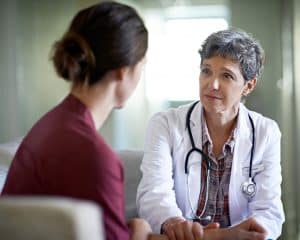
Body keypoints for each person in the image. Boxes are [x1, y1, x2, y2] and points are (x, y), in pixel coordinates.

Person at [1, 3, 269, 239]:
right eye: (143, 65)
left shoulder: (53, 125)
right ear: (122, 72)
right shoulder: (92, 156)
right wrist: (140, 233)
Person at [137, 28, 285, 240]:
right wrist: (175, 224)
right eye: (206, 71)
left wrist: (254, 232)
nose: (212, 84)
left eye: (226, 76)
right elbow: (154, 194)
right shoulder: (165, 124)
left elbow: (269, 210)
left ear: (248, 86)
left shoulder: (266, 132)